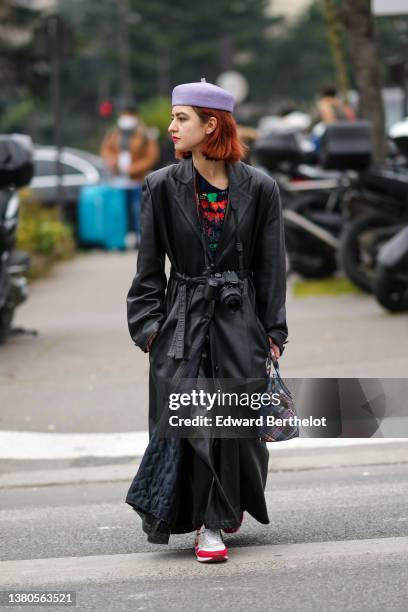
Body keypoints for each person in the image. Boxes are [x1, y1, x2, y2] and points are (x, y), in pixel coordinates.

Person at [125, 78, 288, 563]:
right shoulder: (159, 185)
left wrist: (273, 332)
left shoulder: (260, 188)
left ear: (211, 124)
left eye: (182, 118)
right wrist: (149, 328)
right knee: (193, 424)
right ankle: (208, 524)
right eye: (174, 118)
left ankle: (221, 510)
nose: (171, 127)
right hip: (181, 322)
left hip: (239, 322)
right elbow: (149, 267)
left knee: (235, 426)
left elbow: (271, 266)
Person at [100, 102, 160, 245]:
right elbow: (105, 149)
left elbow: (151, 156)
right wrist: (111, 160)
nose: (126, 118)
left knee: (141, 209)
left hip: (138, 179)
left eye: (129, 115)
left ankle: (142, 237)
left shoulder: (145, 133)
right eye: (124, 115)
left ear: (135, 117)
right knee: (122, 209)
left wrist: (133, 169)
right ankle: (125, 237)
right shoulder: (114, 133)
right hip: (119, 180)